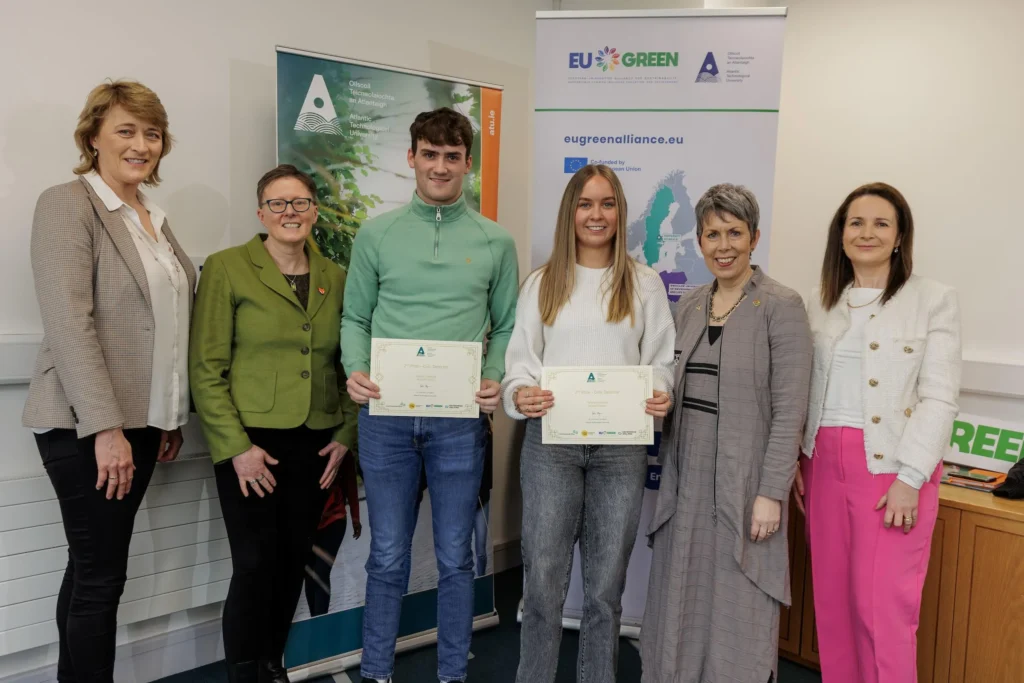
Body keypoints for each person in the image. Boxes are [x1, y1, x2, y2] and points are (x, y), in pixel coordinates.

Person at [22, 80, 195, 683]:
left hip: (143, 423)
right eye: (126, 130)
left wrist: (169, 416)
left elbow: (165, 326)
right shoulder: (67, 203)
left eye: (152, 133)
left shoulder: (155, 219)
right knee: (102, 576)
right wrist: (107, 428)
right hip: (87, 424)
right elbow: (70, 322)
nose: (141, 144)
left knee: (91, 567)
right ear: (93, 136)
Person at [341, 107, 519, 683]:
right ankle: (375, 672)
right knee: (388, 557)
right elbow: (355, 318)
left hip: (458, 422)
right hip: (386, 420)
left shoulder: (495, 240)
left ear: (468, 163)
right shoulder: (377, 233)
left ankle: (451, 674)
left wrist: (493, 374)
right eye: (429, 154)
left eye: (452, 157)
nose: (440, 167)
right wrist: (355, 369)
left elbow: (509, 323)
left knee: (455, 559)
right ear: (412, 157)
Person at [502, 164, 675, 683]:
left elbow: (660, 361)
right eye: (585, 203)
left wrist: (660, 393)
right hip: (550, 445)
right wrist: (520, 395)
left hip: (619, 451)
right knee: (542, 585)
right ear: (569, 212)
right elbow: (519, 364)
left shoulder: (644, 284)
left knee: (604, 590)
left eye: (606, 204)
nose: (595, 215)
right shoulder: (542, 283)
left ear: (620, 212)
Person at [189, 165, 358, 683]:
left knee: (291, 562)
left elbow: (352, 362)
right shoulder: (227, 268)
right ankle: (245, 672)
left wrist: (345, 434)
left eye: (301, 202)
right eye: (278, 204)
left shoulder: (336, 275)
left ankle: (272, 665)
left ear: (314, 210)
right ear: (261, 213)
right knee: (255, 564)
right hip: (251, 447)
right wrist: (236, 447)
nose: (291, 213)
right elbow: (206, 368)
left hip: (317, 444)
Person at [642, 184, 812, 683]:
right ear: (698, 241)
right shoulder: (692, 303)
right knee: (680, 596)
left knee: (739, 600)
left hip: (746, 482)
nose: (724, 245)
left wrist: (770, 494)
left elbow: (790, 410)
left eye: (734, 233)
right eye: (712, 234)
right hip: (686, 477)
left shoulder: (783, 306)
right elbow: (672, 382)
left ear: (754, 237)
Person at [793, 183, 961, 683]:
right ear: (840, 235)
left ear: (899, 235)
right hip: (822, 465)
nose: (867, 233)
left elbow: (939, 396)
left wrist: (911, 478)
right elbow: (805, 388)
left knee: (884, 613)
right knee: (834, 606)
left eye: (880, 223)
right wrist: (797, 462)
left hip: (892, 471)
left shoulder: (933, 300)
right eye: (855, 223)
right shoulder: (821, 303)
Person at [304, 451, 362, 617]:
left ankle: (321, 622)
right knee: (309, 575)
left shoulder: (340, 446)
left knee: (321, 572)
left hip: (334, 519)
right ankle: (315, 621)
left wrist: (355, 517)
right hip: (306, 523)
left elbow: (350, 481)